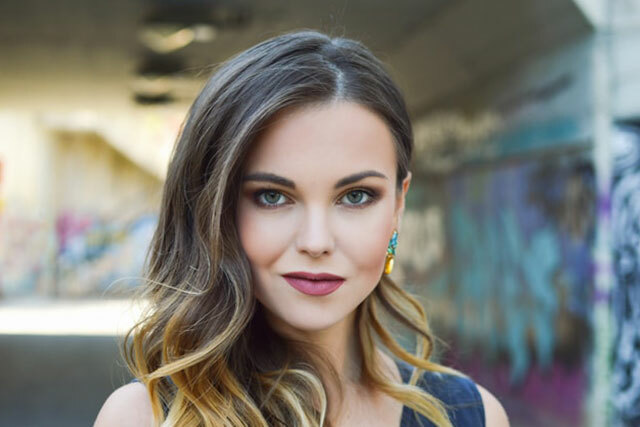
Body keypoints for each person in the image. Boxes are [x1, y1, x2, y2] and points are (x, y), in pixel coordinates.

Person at [94, 30, 509, 427]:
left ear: (398, 205)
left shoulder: (472, 416)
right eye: (272, 197)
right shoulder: (143, 418)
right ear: (214, 209)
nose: (316, 242)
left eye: (356, 196)